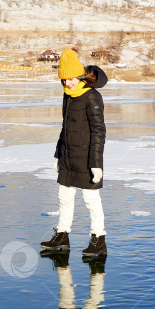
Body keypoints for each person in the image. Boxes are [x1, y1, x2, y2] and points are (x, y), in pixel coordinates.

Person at [40, 48, 108, 257]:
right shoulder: (68, 96)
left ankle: (98, 240)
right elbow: (65, 126)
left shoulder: (92, 96)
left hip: (87, 159)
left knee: (91, 199)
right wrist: (57, 154)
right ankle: (62, 234)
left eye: (70, 79)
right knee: (64, 196)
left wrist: (96, 164)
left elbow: (99, 132)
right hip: (68, 156)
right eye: (63, 80)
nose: (67, 83)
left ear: (79, 76)